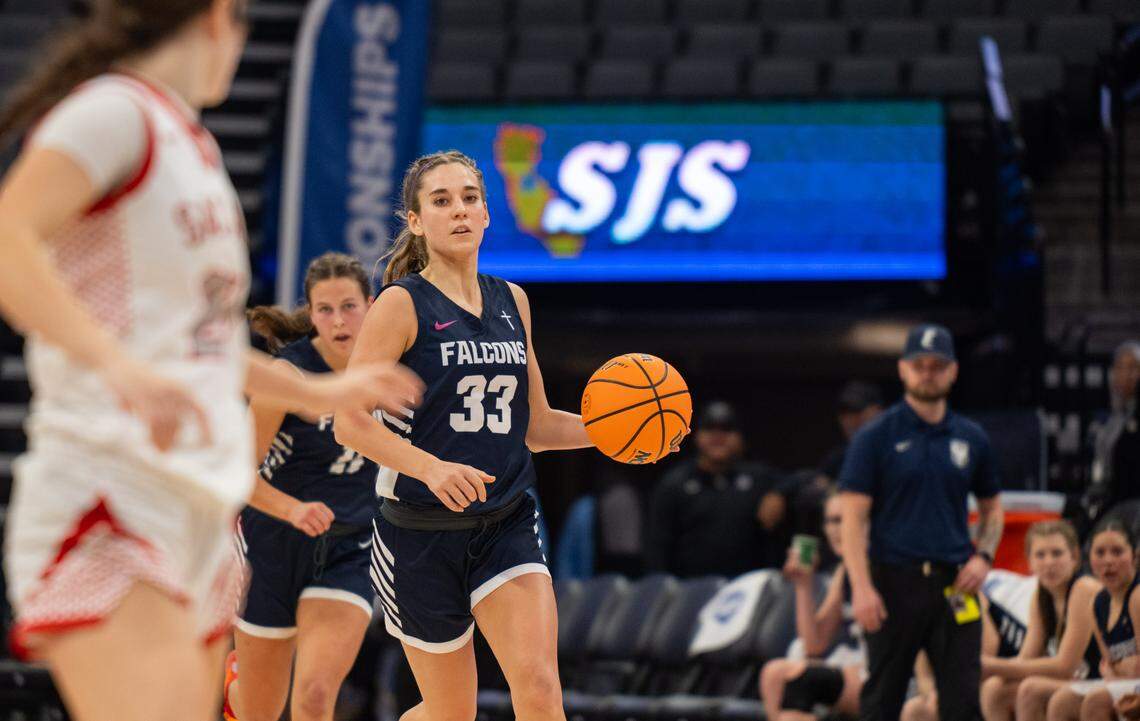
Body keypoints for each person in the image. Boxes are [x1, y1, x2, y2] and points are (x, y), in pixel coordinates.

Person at [0, 3, 421, 720]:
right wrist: (117, 364)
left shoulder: (190, 146)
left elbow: (210, 343)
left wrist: (328, 390)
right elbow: (9, 238)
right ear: (219, 18)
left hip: (197, 506)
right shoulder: (113, 111)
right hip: (110, 489)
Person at [333, 150, 634, 721]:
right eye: (441, 201)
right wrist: (431, 467)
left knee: (541, 688)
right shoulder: (400, 305)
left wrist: (617, 433)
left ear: (488, 212)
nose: (460, 211)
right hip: (419, 531)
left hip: (505, 523)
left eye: (470, 197)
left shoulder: (512, 301)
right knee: (451, 713)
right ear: (417, 221)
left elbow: (537, 427)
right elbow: (350, 422)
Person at [221, 253, 382, 721]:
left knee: (313, 696)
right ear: (311, 315)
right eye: (325, 309)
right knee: (258, 711)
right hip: (270, 540)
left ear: (371, 306)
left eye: (349, 306)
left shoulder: (389, 366)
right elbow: (236, 475)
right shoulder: (286, 378)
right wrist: (292, 509)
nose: (338, 320)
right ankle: (237, 688)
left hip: (348, 547)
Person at [839, 323, 1005, 721]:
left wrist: (983, 556)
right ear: (902, 370)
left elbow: (992, 508)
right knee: (882, 699)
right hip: (894, 582)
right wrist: (861, 588)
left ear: (953, 371)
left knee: (964, 699)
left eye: (937, 365)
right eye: (920, 365)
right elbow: (851, 519)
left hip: (955, 584)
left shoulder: (972, 436)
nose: (928, 373)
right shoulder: (875, 436)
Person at [646, 400, 787, 577]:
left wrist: (780, 493)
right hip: (690, 592)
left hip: (747, 590)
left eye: (727, 429)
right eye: (709, 428)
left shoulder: (759, 479)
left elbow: (804, 480)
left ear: (741, 438)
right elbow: (657, 545)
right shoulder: (674, 484)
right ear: (696, 435)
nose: (718, 436)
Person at [760, 493, 866, 720]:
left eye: (842, 520)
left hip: (891, 672)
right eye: (830, 521)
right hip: (859, 668)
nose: (835, 530)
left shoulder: (885, 565)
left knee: (801, 684)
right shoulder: (844, 570)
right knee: (774, 674)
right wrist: (804, 585)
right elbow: (814, 644)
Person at [1042, 519, 1140, 721]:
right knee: (1062, 701)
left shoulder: (1137, 596)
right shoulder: (1097, 604)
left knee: (1097, 701)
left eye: (1117, 552)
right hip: (1122, 681)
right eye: (1100, 553)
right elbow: (1108, 666)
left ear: (1134, 556)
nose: (1108, 561)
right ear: (1090, 559)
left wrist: (1123, 667)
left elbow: (1136, 667)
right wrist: (1123, 666)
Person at [1087, 342, 1140, 519]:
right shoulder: (1106, 418)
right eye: (1120, 367)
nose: (1126, 374)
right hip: (1105, 499)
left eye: (1133, 367)